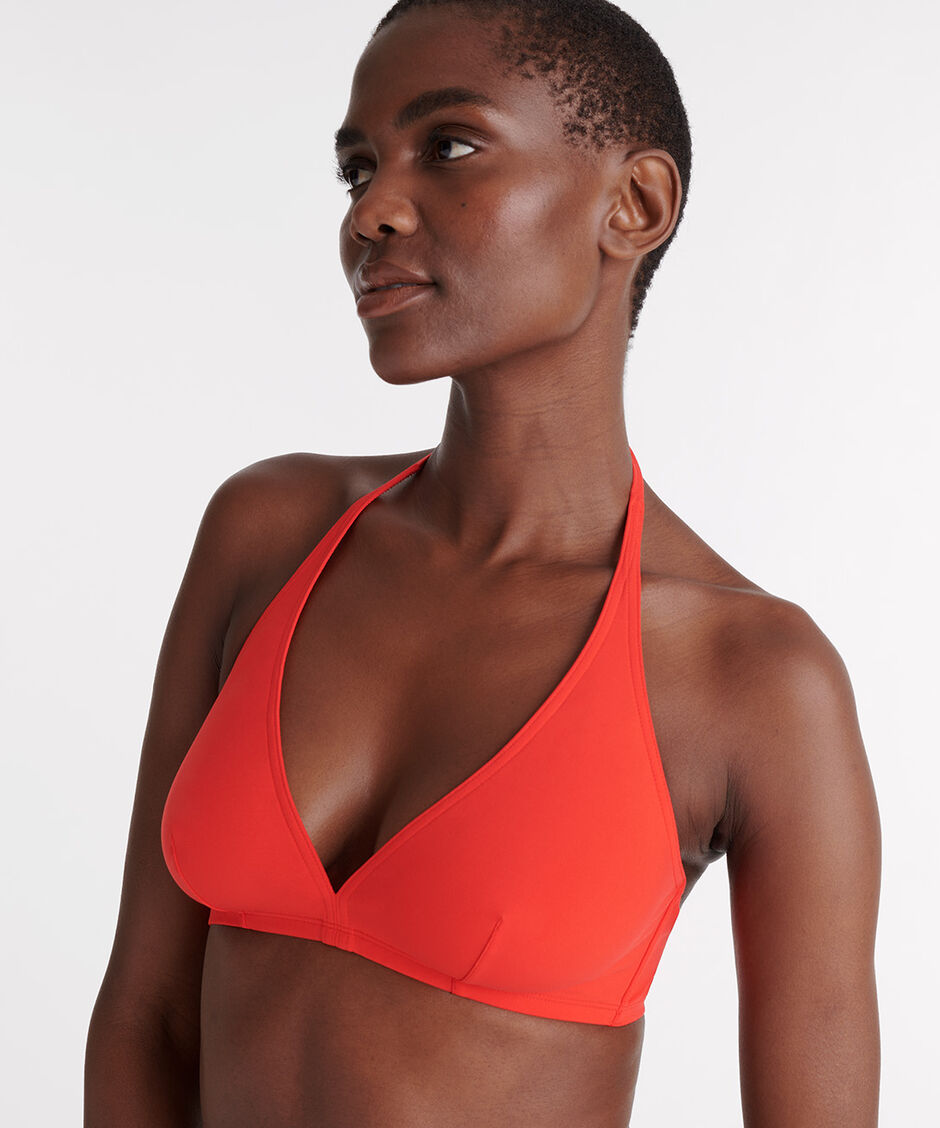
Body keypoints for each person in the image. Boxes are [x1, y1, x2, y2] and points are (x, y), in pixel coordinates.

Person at [84, 2, 882, 1125]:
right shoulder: (268, 533)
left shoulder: (752, 676)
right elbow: (146, 1016)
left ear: (634, 205)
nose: (371, 210)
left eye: (448, 146)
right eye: (357, 168)